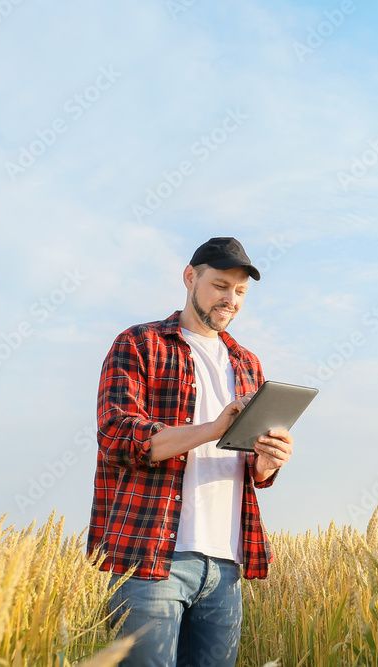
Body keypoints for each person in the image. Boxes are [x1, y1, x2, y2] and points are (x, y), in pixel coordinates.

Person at [86, 237, 294, 666]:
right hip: (151, 558)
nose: (230, 299)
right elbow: (118, 435)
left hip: (226, 565)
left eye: (240, 292)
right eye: (220, 285)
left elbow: (248, 469)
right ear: (189, 277)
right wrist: (213, 428)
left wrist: (267, 461)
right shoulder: (140, 343)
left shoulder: (247, 364)